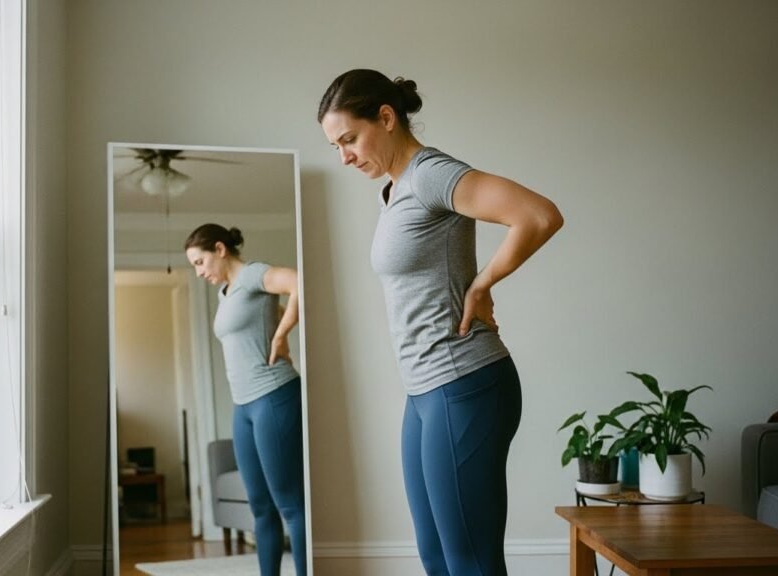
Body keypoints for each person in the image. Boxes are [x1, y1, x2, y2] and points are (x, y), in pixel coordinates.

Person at [317, 69, 564, 576]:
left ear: (386, 117)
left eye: (349, 139)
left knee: (470, 564)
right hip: (425, 391)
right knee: (436, 557)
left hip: (464, 382)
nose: (343, 156)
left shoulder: (430, 173)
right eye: (335, 145)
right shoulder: (393, 190)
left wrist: (482, 284)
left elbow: (538, 215)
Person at [184, 223, 307, 576]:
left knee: (290, 505)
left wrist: (283, 335)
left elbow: (299, 282)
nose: (199, 272)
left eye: (200, 262)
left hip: (274, 396)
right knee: (260, 507)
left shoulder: (253, 274)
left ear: (220, 249)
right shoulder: (226, 293)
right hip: (244, 406)